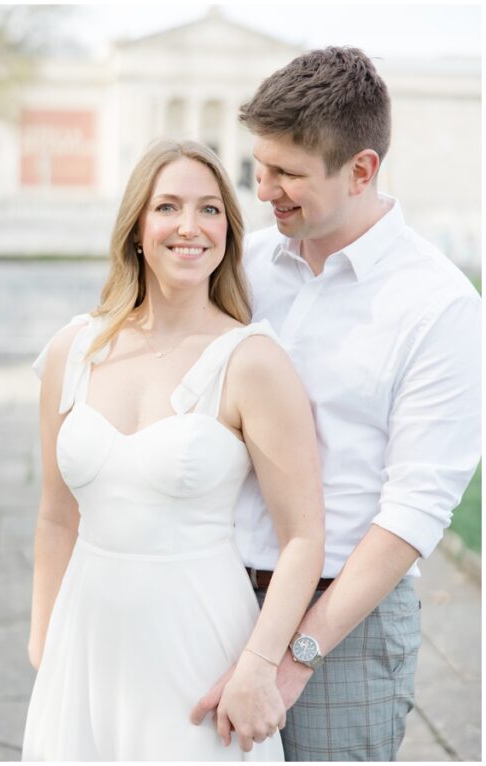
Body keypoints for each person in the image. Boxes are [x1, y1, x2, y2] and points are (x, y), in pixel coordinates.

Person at [189, 47, 482, 761]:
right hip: (212, 596)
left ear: (362, 169)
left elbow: (413, 513)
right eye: (259, 168)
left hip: (345, 630)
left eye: (289, 174)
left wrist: (287, 662)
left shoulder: (439, 308)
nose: (265, 191)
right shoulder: (249, 267)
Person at [22, 139, 325, 760]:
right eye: (168, 207)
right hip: (85, 644)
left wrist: (258, 667)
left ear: (228, 232)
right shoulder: (70, 351)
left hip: (198, 645)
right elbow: (56, 516)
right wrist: (43, 639)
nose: (189, 227)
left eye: (209, 209)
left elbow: (303, 538)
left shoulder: (253, 361)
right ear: (137, 227)